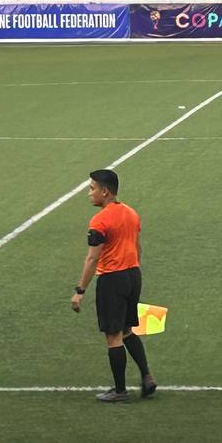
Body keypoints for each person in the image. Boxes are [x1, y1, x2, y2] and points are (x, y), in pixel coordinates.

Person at [71, 169, 156, 403]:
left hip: (112, 279)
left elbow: (92, 259)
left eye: (92, 188)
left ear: (105, 191)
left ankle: (120, 391)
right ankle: (147, 376)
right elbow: (138, 249)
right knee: (128, 330)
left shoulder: (100, 220)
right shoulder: (131, 213)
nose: (89, 193)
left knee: (113, 336)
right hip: (133, 275)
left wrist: (79, 291)